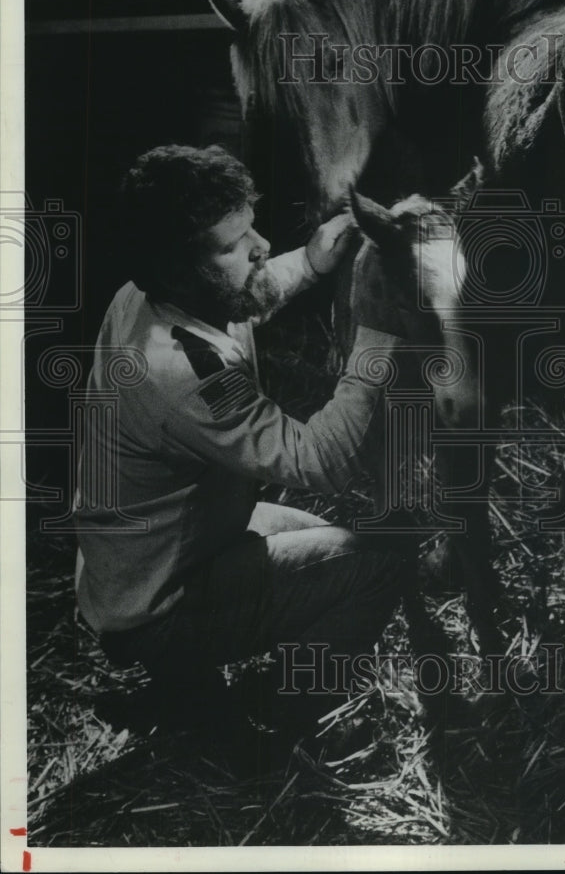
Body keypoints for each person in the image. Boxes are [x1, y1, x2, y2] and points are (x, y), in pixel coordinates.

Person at [73, 144, 407, 749]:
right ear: (184, 270)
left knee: (321, 541)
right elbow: (323, 462)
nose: (259, 245)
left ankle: (186, 693)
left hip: (142, 558)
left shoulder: (143, 297)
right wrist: (378, 327)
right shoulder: (177, 372)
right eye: (234, 245)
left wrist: (307, 261)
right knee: (375, 566)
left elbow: (236, 299)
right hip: (160, 600)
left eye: (252, 227)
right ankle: (274, 725)